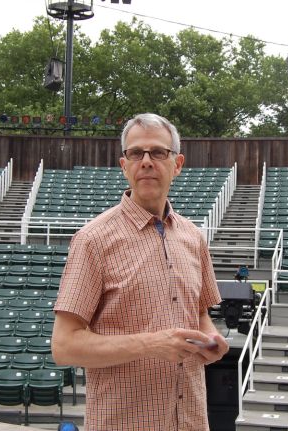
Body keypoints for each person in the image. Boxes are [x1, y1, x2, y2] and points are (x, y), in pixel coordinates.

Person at [51, 113, 229, 430]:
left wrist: (211, 338)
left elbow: (199, 315)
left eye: (158, 152)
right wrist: (150, 344)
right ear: (125, 166)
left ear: (177, 164)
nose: (146, 161)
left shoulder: (193, 237)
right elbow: (64, 346)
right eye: (136, 153)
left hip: (190, 420)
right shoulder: (92, 240)